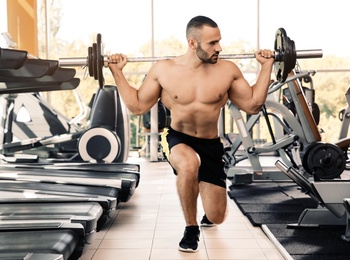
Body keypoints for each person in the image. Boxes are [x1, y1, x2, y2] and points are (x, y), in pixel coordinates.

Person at [107, 15, 274, 253]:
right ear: (192, 43)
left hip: (211, 144)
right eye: (212, 43)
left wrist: (266, 66)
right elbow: (136, 107)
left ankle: (208, 211)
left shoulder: (227, 70)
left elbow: (252, 105)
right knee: (188, 164)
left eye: (219, 41)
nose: (219, 48)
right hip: (178, 138)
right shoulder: (164, 70)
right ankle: (190, 227)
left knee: (217, 216)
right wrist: (117, 72)